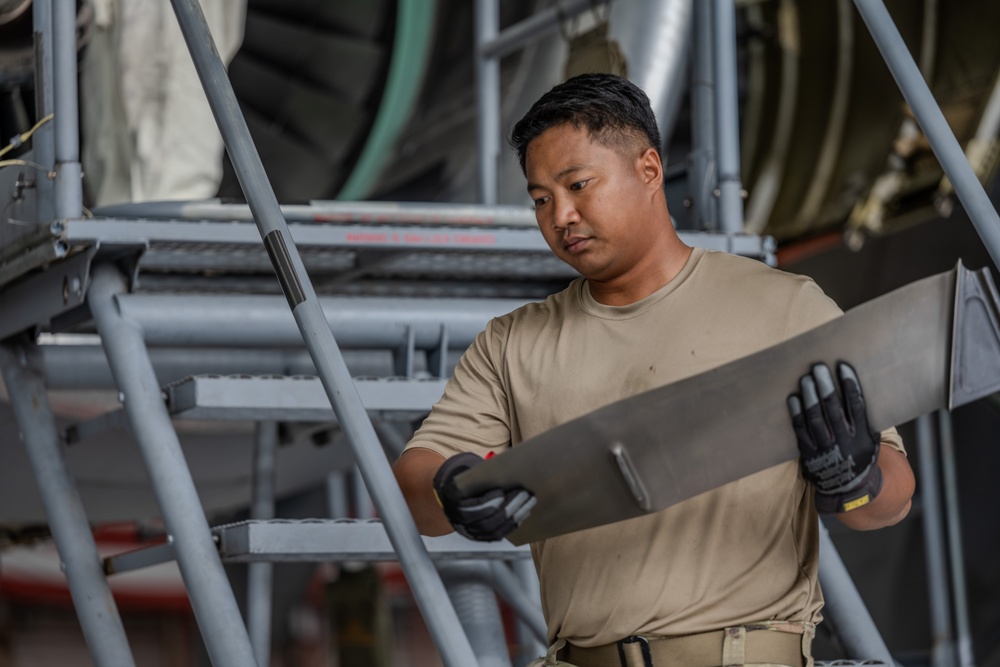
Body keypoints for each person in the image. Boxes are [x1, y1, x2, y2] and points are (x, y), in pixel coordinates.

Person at [392, 73, 915, 667]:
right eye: (541, 199)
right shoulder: (514, 343)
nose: (560, 215)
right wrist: (453, 489)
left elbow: (889, 503)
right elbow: (417, 487)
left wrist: (854, 477)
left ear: (648, 170)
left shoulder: (786, 309)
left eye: (578, 184)